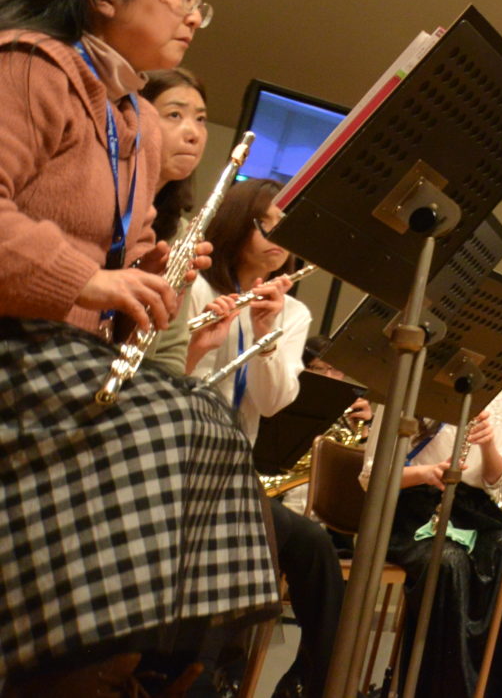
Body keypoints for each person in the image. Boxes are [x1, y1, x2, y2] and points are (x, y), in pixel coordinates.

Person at [0, 0, 275, 697]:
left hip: (67, 357)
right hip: (16, 345)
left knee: (206, 426)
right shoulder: (31, 67)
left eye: (199, 3)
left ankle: (139, 667)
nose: (194, 16)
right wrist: (90, 280)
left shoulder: (134, 118)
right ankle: (78, 663)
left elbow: (124, 243)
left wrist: (155, 270)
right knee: (179, 423)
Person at [193, 178, 343, 698]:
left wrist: (265, 334)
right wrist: (202, 341)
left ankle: (312, 682)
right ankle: (208, 679)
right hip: (182, 458)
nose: (280, 238)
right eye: (267, 225)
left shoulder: (292, 312)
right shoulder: (197, 287)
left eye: (287, 228)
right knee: (246, 540)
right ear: (237, 224)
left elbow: (274, 400)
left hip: (234, 470)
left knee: (314, 546)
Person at [363, 376, 502, 698]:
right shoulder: (411, 372)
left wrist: (488, 445)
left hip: (472, 506)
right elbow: (371, 475)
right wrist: (425, 473)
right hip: (409, 503)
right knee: (448, 562)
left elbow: (495, 479)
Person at [140, 66, 211, 378]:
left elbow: (170, 345)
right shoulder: (100, 203)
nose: (193, 133)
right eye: (174, 115)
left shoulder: (181, 232)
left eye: (200, 119)